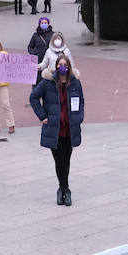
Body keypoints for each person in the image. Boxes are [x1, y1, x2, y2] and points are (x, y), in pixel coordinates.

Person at [29, 54, 83, 206]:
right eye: (60, 64)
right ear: (56, 66)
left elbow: (81, 101)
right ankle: (64, 189)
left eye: (65, 64)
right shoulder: (48, 83)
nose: (62, 67)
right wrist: (42, 116)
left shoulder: (75, 83)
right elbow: (33, 97)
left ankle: (64, 189)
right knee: (59, 161)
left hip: (70, 128)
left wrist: (79, 117)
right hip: (55, 129)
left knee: (67, 160)